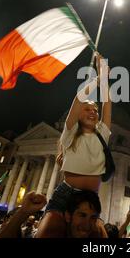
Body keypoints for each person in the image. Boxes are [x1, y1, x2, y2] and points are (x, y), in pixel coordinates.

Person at [36, 53, 111, 238]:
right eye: (87, 109)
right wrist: (98, 79)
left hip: (91, 199)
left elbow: (107, 102)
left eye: (95, 110)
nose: (93, 112)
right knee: (49, 231)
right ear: (77, 115)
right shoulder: (70, 133)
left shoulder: (102, 133)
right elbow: (78, 99)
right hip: (66, 194)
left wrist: (105, 78)